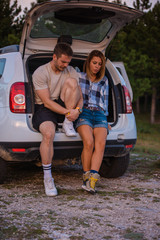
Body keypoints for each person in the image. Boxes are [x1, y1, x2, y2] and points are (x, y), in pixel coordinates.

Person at [32, 43, 83, 196]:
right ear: (54, 57)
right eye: (63, 62)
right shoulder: (40, 72)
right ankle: (48, 178)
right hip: (44, 107)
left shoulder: (70, 70)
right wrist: (70, 111)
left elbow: (80, 96)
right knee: (48, 133)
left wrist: (77, 111)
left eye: (68, 62)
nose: (66, 65)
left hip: (65, 106)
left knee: (73, 82)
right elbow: (47, 102)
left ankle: (68, 123)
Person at [75, 50, 110, 194]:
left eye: (99, 64)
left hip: (100, 114)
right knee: (89, 142)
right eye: (94, 63)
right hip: (84, 112)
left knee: (100, 144)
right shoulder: (78, 76)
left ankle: (92, 182)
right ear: (88, 62)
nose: (96, 66)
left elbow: (105, 102)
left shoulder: (104, 80)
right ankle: (86, 176)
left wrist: (106, 118)